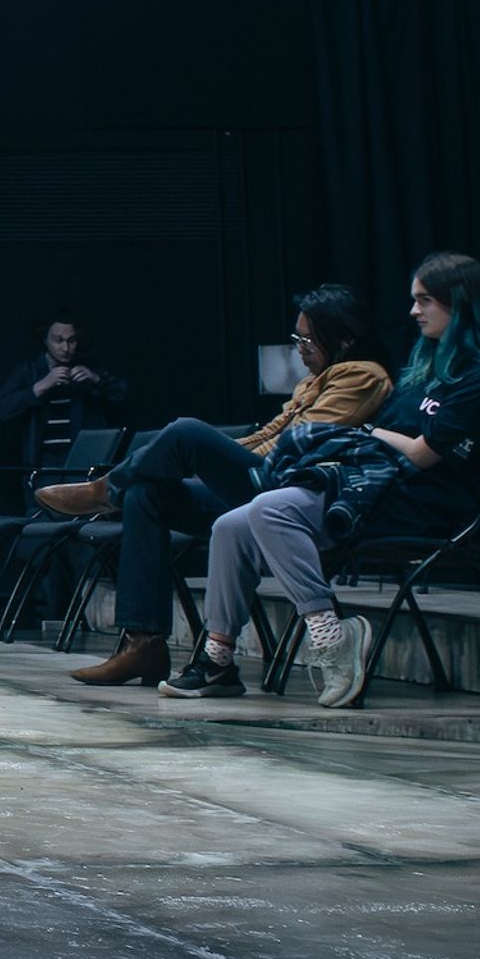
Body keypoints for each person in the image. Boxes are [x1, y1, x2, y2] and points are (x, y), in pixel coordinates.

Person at [159, 253, 480, 709]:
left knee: (270, 508)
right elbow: (394, 445)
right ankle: (218, 660)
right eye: (414, 300)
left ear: (462, 304)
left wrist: (369, 431)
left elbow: (424, 454)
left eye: (425, 300)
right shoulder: (422, 372)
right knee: (230, 525)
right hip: (375, 487)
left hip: (426, 503)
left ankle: (331, 639)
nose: (413, 311)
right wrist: (373, 438)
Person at [56, 284, 394, 689]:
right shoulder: (312, 382)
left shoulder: (364, 376)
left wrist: (208, 453)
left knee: (186, 432)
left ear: (343, 338)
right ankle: (142, 644)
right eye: (297, 338)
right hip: (263, 482)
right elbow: (268, 433)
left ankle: (106, 489)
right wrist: (215, 458)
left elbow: (300, 441)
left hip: (292, 491)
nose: (300, 348)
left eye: (307, 339)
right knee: (146, 496)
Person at [0, 318, 132, 465]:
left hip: (83, 463)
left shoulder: (88, 368)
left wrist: (96, 379)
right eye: (58, 340)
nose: (65, 348)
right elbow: (1, 409)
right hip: (42, 466)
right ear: (46, 341)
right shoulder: (29, 371)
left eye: (71, 341)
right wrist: (40, 386)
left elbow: (124, 397)